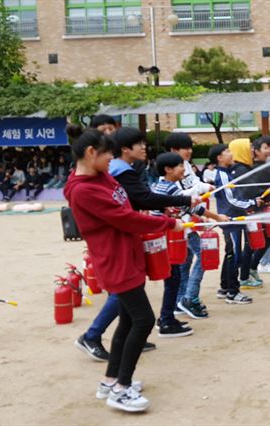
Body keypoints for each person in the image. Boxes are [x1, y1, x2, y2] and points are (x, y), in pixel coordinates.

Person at [64, 124, 182, 413]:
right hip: (115, 261)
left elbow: (128, 207)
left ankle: (110, 381)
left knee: (129, 321)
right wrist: (168, 224)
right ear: (91, 153)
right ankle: (121, 388)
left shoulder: (102, 175)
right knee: (143, 320)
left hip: (129, 254)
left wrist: (161, 211)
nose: (111, 162)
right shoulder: (82, 191)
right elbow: (124, 218)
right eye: (107, 156)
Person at [75, 127, 197, 361]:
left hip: (128, 239)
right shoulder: (115, 174)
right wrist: (170, 218)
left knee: (129, 298)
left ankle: (124, 345)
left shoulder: (117, 172)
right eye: (138, 144)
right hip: (119, 244)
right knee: (126, 297)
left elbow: (136, 202)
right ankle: (94, 338)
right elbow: (138, 203)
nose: (144, 148)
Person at [151, 152, 228, 337]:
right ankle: (167, 320)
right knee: (173, 278)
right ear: (168, 170)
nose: (183, 170)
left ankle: (167, 316)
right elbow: (191, 206)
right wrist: (217, 217)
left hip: (165, 238)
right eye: (179, 167)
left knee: (174, 275)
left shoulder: (159, 185)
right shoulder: (169, 189)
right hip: (167, 238)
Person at [165, 132, 214, 319]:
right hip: (183, 223)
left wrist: (204, 188)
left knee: (185, 260)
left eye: (190, 147)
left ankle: (180, 299)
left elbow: (195, 185)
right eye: (185, 148)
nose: (189, 151)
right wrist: (207, 212)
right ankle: (189, 297)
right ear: (173, 150)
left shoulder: (185, 166)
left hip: (190, 220)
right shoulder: (172, 170)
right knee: (202, 254)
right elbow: (183, 196)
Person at [209, 143, 262, 304]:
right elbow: (231, 200)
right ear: (219, 158)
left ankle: (225, 287)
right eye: (227, 152)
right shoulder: (222, 175)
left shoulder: (227, 173)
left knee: (230, 253)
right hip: (230, 221)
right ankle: (233, 292)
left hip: (234, 219)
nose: (231, 154)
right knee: (235, 255)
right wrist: (252, 202)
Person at [244, 137, 270, 275]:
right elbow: (259, 190)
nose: (269, 150)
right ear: (256, 151)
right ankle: (263, 262)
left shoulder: (267, 164)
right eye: (265, 147)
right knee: (268, 235)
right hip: (267, 206)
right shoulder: (256, 169)